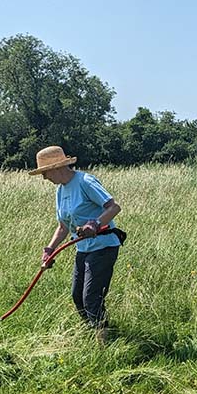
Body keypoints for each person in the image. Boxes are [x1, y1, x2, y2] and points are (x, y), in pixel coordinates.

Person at [29, 146, 122, 342]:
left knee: (91, 297)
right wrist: (49, 249)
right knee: (77, 296)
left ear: (56, 168)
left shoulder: (85, 182)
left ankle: (103, 341)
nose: (44, 178)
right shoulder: (60, 191)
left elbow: (114, 207)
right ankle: (92, 332)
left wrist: (96, 223)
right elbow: (63, 226)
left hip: (103, 247)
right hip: (83, 248)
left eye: (44, 172)